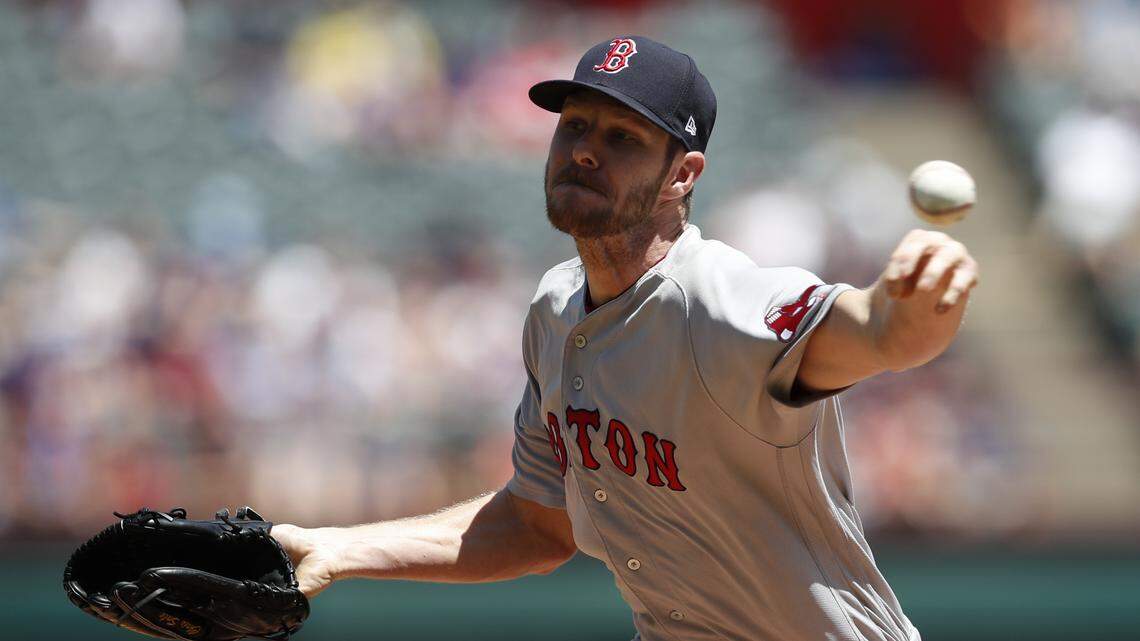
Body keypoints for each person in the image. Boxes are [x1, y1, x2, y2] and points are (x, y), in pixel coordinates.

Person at [272, 36, 978, 641]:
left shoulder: (720, 300)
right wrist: (344, 546)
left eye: (621, 137)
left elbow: (877, 334)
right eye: (575, 125)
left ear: (683, 174)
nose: (584, 151)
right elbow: (535, 523)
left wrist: (914, 309)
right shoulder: (555, 311)